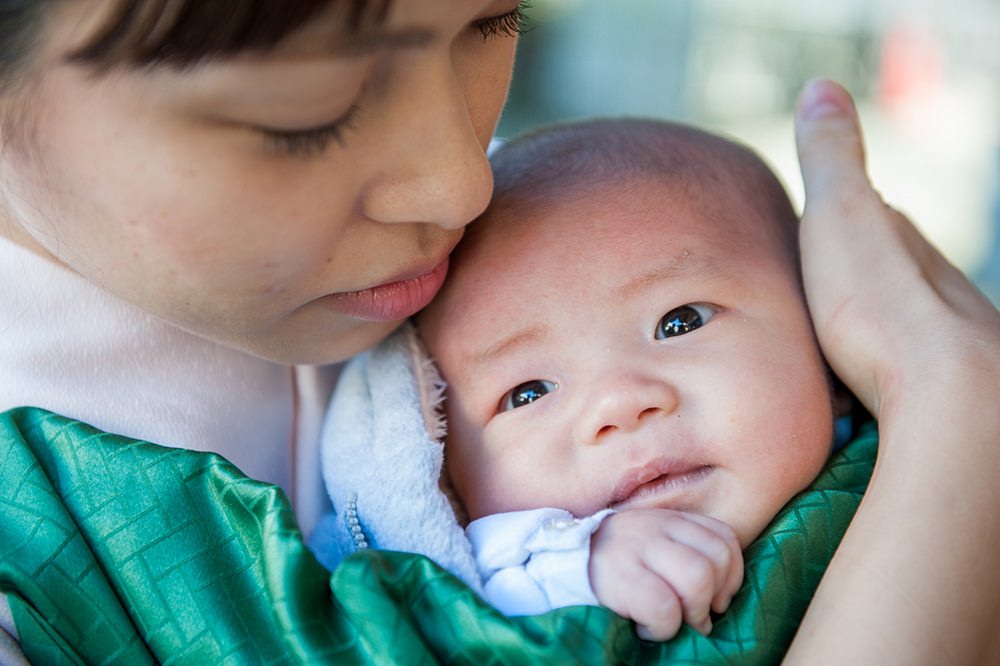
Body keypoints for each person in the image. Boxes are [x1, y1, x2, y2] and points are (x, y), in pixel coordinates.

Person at [0, 0, 996, 663]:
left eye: (492, 21)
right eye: (306, 112)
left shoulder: (571, 220)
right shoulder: (35, 548)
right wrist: (958, 425)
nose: (461, 182)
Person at [319, 117, 859, 642]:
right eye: (528, 393)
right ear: (446, 482)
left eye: (680, 322)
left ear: (824, 340)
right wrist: (578, 559)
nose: (618, 404)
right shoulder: (505, 574)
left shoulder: (900, 461)